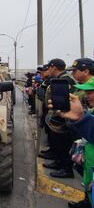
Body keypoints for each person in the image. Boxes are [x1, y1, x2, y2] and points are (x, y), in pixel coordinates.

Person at [50, 78, 94, 208]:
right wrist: (80, 118)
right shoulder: (91, 111)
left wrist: (80, 118)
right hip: (89, 163)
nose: (86, 96)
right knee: (88, 186)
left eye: (90, 92)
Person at [42, 59, 77, 178]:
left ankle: (66, 169)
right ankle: (58, 162)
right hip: (58, 115)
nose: (48, 70)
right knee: (57, 142)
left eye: (49, 67)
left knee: (63, 143)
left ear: (54, 67)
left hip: (64, 116)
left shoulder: (65, 80)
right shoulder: (60, 79)